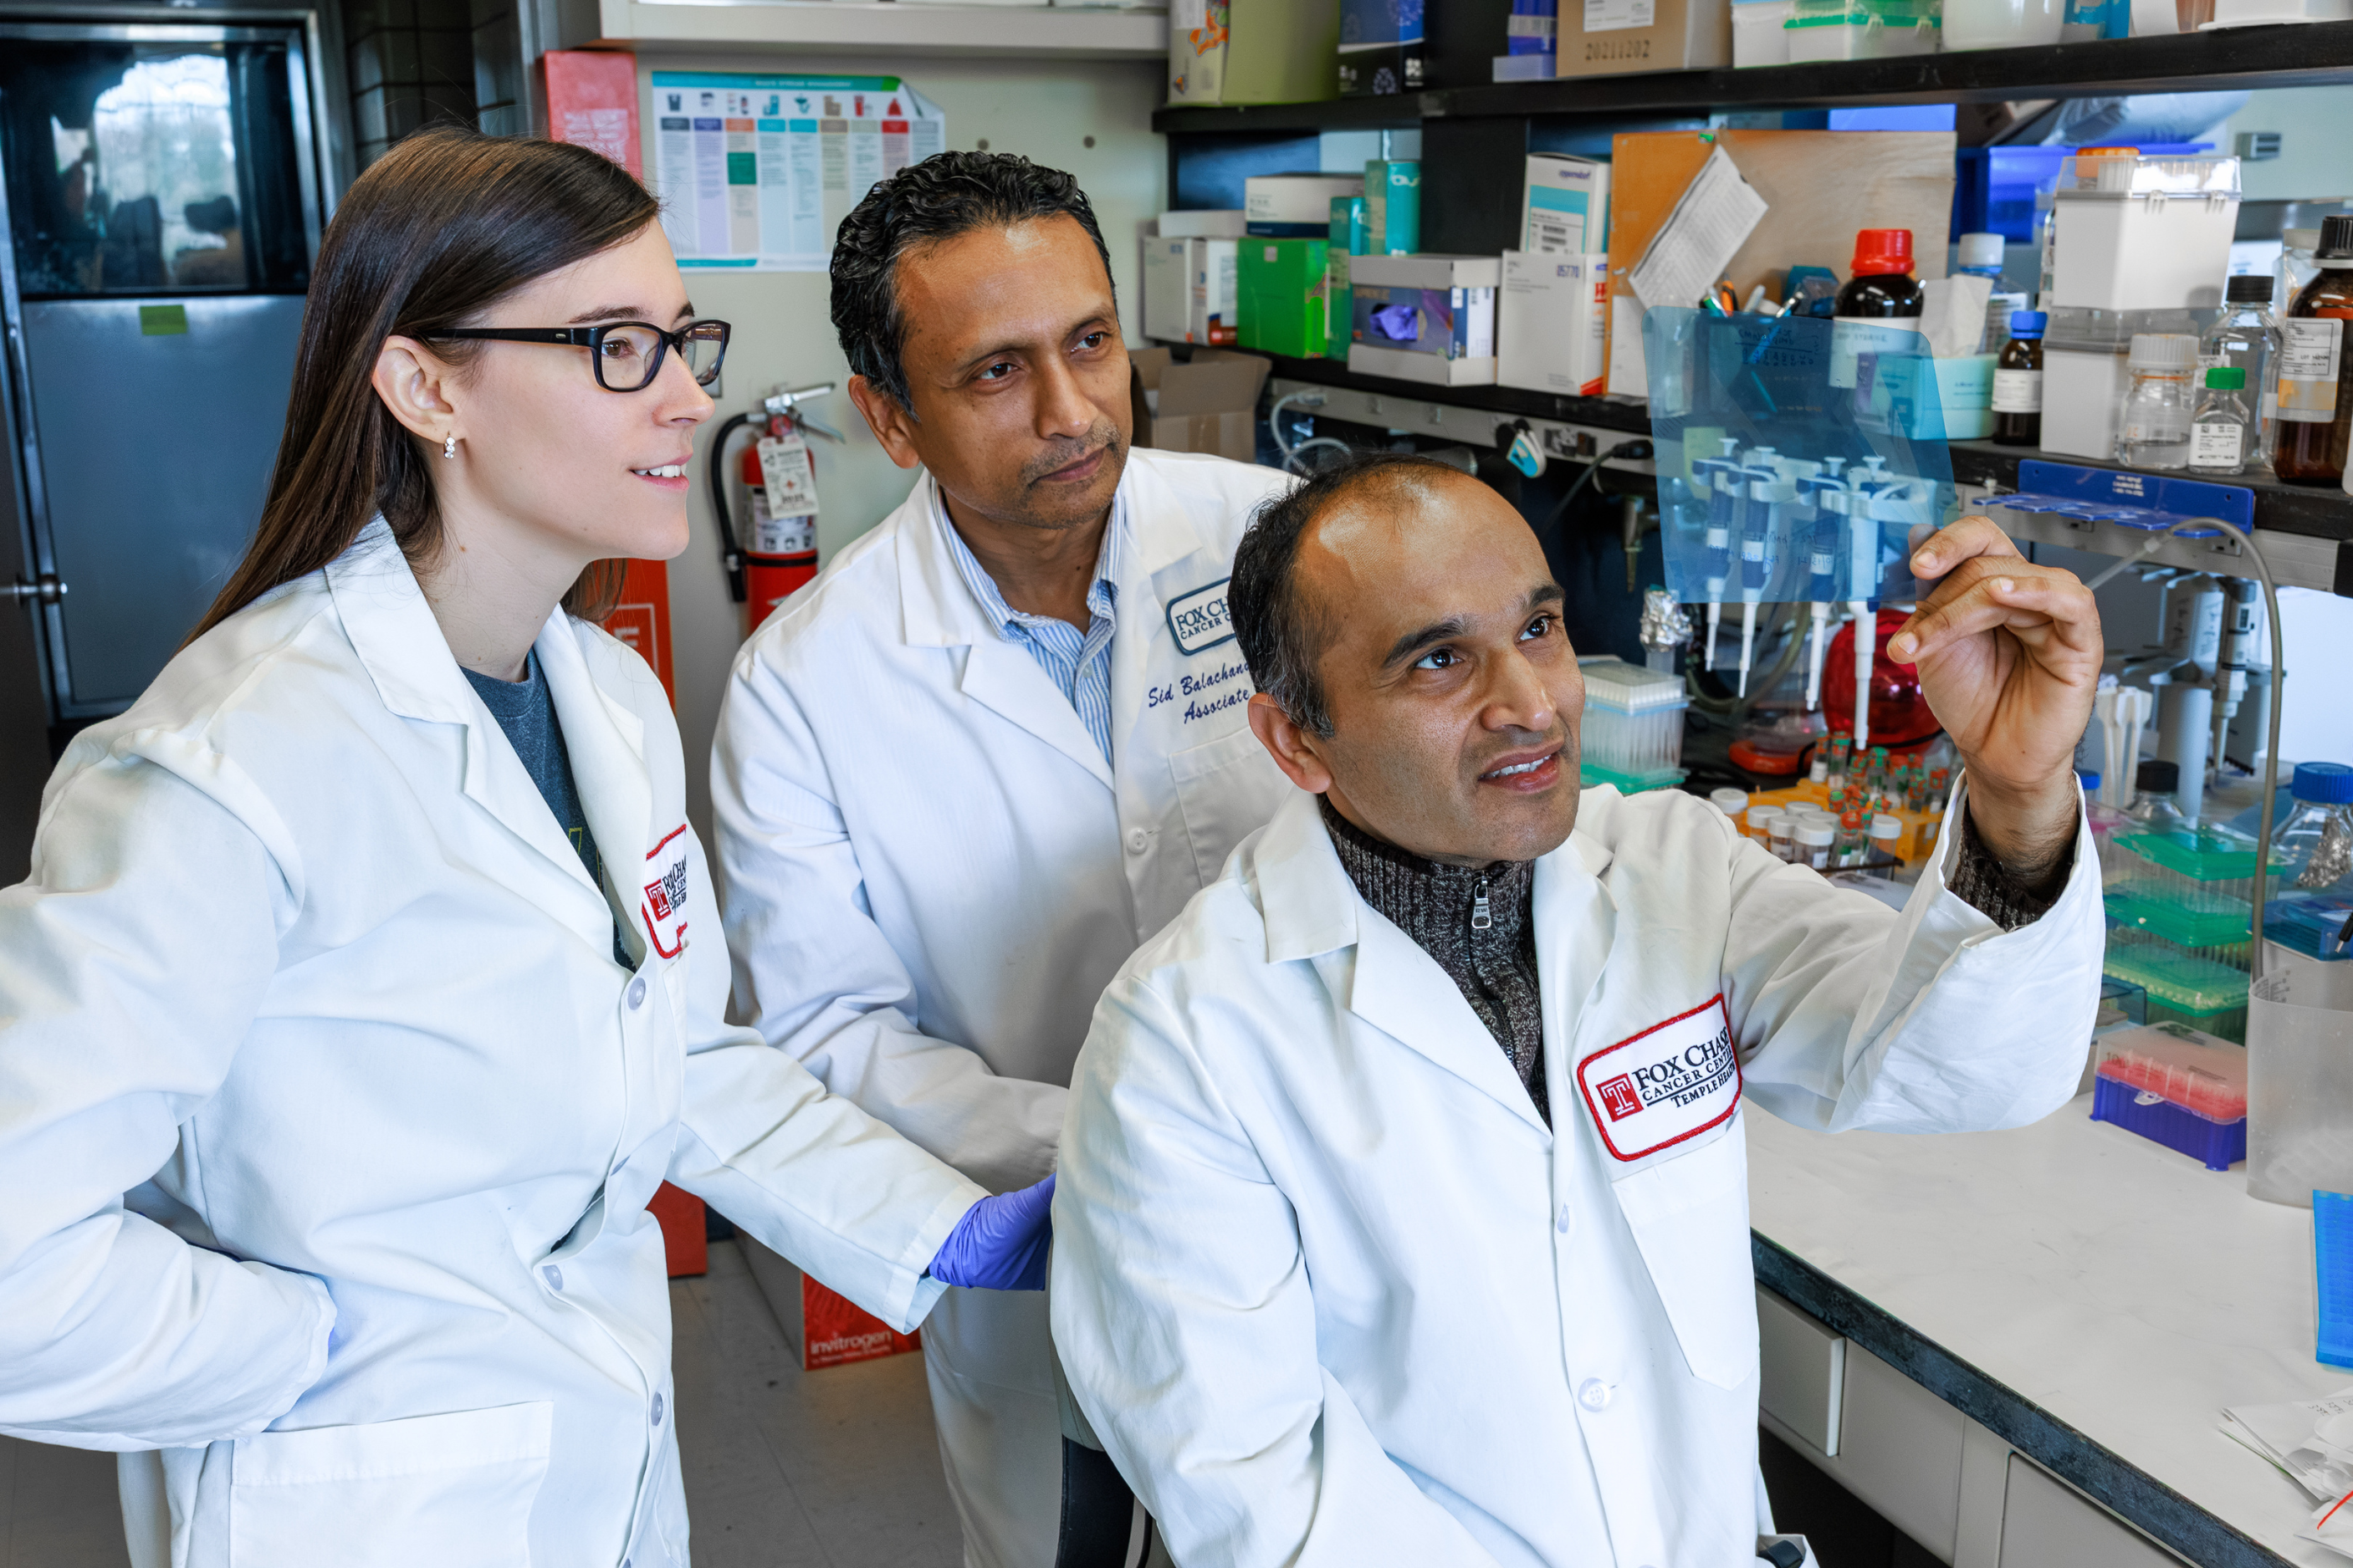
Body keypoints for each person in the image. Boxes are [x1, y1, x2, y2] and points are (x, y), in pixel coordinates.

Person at [0, 129, 1050, 1568]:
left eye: (686, 339)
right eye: (621, 346)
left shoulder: (603, 697)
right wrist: (290, 1348)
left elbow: (674, 1058)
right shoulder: (221, 766)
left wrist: (946, 1228)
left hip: (601, 1461)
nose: (691, 394)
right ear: (427, 384)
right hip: (356, 1502)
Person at [1050, 453, 2107, 1567]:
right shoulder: (1182, 1042)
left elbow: (1963, 1063)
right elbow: (1272, 1509)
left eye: (1540, 629)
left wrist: (2019, 792)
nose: (1530, 703)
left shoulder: (1674, 870)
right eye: (1441, 658)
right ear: (1295, 740)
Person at [710, 151, 1293, 1567]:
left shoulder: (1281, 545)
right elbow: (827, 1029)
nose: (1070, 409)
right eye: (995, 373)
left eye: (1091, 344)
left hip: (1338, 1225)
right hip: (1047, 1254)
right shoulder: (804, 683)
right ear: (889, 419)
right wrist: (1122, 1147)